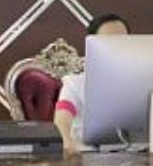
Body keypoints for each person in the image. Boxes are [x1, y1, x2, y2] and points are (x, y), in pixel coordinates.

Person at [53, 13, 130, 154]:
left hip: (138, 152)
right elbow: (62, 116)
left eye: (122, 41)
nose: (117, 47)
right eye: (108, 42)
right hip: (88, 154)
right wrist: (66, 141)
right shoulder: (75, 82)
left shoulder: (144, 78)